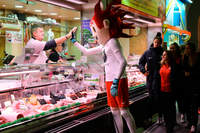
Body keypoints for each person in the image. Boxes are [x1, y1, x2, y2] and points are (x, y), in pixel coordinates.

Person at [70, 1, 136, 133]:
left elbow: (122, 62)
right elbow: (87, 52)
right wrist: (74, 41)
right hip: (109, 80)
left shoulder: (112, 42)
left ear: (105, 25)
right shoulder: (105, 45)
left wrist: (116, 81)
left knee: (124, 111)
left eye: (95, 30)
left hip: (119, 80)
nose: (94, 34)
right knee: (114, 111)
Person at [138, 32, 163, 124]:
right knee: (150, 99)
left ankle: (160, 117)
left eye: (158, 43)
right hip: (150, 80)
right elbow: (140, 63)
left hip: (160, 81)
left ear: (160, 43)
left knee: (158, 99)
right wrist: (143, 71)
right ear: (153, 42)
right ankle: (149, 117)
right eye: (155, 42)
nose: (156, 44)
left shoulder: (163, 52)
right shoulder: (147, 52)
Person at [182, 42, 200, 133]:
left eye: (188, 48)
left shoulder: (197, 57)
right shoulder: (185, 57)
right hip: (186, 85)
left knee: (194, 106)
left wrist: (190, 73)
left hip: (195, 85)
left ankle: (194, 124)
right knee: (187, 105)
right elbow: (183, 70)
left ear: (192, 49)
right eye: (186, 48)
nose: (187, 50)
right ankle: (190, 122)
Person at [159, 50, 176, 133]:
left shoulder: (173, 65)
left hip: (171, 90)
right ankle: (167, 124)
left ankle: (171, 125)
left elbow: (176, 78)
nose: (163, 56)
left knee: (171, 108)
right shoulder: (161, 64)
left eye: (165, 55)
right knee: (165, 109)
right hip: (162, 90)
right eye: (163, 55)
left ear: (169, 56)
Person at [169, 42, 185, 123]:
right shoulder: (169, 58)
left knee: (180, 100)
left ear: (177, 49)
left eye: (173, 48)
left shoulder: (181, 57)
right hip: (171, 82)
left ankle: (182, 114)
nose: (172, 50)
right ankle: (173, 119)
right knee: (172, 101)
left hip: (180, 82)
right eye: (170, 48)